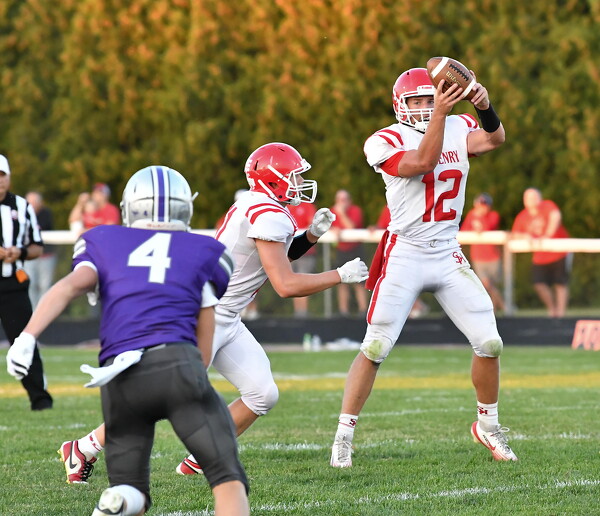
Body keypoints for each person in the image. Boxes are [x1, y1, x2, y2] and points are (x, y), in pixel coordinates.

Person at [56, 142, 369, 482]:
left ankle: (202, 457)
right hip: (203, 314)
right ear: (273, 179)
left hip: (227, 316)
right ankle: (83, 448)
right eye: (294, 176)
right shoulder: (268, 214)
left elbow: (276, 257)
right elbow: (285, 284)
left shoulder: (258, 204)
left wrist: (310, 235)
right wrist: (339, 275)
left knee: (262, 394)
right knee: (161, 395)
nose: (300, 183)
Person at [7, 165, 249, 515]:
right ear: (185, 206)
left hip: (120, 374)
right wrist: (193, 377)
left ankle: (119, 500)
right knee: (228, 480)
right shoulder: (207, 250)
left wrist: (27, 337)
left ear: (129, 206)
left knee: (130, 489)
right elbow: (205, 328)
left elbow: (69, 286)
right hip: (177, 361)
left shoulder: (103, 240)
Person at [330, 67, 518, 468]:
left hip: (447, 249)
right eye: (416, 101)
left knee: (490, 343)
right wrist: (441, 116)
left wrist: (485, 106)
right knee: (376, 345)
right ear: (400, 106)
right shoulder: (384, 140)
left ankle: (488, 426)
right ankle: (344, 435)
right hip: (406, 252)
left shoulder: (457, 125)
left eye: (430, 99)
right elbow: (421, 162)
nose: (426, 106)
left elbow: (494, 139)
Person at [0, 155, 53, 411]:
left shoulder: (22, 206)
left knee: (24, 340)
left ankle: (40, 399)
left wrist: (18, 252)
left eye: (2, 175)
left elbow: (37, 247)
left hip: (13, 285)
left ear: (9, 177)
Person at [511, 188, 570, 317]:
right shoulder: (522, 216)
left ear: (539, 198)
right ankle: (552, 309)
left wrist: (547, 235)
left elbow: (555, 216)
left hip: (558, 252)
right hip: (540, 256)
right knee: (539, 284)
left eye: (533, 197)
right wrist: (525, 236)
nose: (530, 200)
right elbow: (514, 234)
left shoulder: (547, 206)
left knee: (560, 283)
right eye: (528, 198)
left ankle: (561, 314)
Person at [461, 193, 505, 312]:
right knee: (486, 284)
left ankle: (494, 310)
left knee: (493, 285)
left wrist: (479, 218)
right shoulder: (471, 215)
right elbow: (464, 231)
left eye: (484, 205)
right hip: (478, 257)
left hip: (493, 256)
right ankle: (505, 307)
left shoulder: (493, 215)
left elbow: (488, 227)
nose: (482, 208)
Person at [331, 189, 368, 316]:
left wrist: (341, 214)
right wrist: (333, 229)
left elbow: (351, 226)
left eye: (344, 200)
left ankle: (363, 310)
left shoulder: (355, 210)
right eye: (340, 200)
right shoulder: (332, 212)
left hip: (356, 250)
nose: (342, 202)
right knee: (341, 281)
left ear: (350, 201)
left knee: (360, 281)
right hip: (341, 250)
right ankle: (343, 312)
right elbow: (326, 227)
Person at [23, 191, 57, 308]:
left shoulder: (46, 213)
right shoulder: (21, 214)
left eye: (34, 202)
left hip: (46, 256)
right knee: (30, 284)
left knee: (45, 285)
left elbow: (42, 228)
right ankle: (33, 311)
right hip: (29, 256)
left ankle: (44, 311)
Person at [287, 201, 317, 317]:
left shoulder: (307, 206)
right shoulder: (287, 206)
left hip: (305, 252)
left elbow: (312, 225)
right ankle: (298, 312)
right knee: (292, 281)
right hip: (289, 250)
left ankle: (302, 312)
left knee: (302, 281)